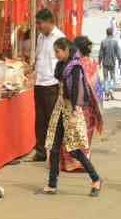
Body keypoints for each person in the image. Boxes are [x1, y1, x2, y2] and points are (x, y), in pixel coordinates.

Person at [39, 38, 104, 196]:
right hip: (60, 108)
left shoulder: (75, 67)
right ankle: (52, 184)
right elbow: (57, 77)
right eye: (55, 51)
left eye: (58, 51)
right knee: (54, 148)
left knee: (74, 148)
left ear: (67, 50)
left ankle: (96, 179)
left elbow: (77, 89)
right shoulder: (63, 65)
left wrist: (75, 111)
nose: (56, 55)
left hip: (72, 109)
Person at [32, 9, 65, 162]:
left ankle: (55, 152)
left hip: (52, 84)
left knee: (53, 120)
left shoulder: (60, 38)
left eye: (40, 23)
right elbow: (38, 57)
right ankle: (41, 151)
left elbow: (64, 62)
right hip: (39, 82)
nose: (38, 26)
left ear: (50, 22)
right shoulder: (40, 37)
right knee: (40, 119)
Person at [98, 28, 120, 101]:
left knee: (106, 78)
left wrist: (99, 62)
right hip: (113, 63)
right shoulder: (115, 42)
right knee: (112, 78)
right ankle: (111, 91)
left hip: (105, 63)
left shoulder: (103, 42)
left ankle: (107, 93)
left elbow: (100, 53)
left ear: (106, 33)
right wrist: (119, 61)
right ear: (112, 33)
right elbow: (118, 53)